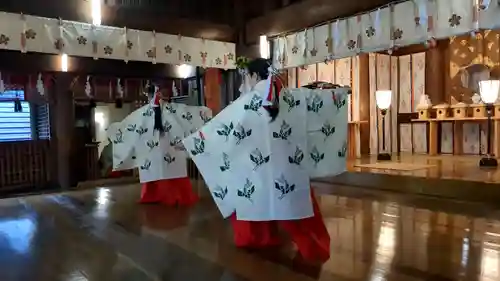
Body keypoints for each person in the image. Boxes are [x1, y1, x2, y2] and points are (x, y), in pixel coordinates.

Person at [184, 58, 349, 263]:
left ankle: (261, 238)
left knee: (251, 196)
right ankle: (313, 245)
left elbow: (218, 129)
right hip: (288, 168)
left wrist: (190, 143)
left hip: (257, 170)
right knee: (296, 209)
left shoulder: (246, 103)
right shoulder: (293, 97)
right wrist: (341, 93)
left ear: (254, 76)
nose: (244, 82)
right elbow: (319, 100)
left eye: (246, 77)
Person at [110, 82, 212, 206]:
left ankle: (158, 195)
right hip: (162, 148)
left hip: (164, 147)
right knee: (163, 168)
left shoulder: (149, 112)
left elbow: (131, 126)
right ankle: (168, 195)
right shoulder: (161, 110)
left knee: (167, 167)